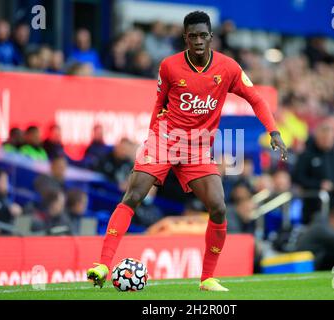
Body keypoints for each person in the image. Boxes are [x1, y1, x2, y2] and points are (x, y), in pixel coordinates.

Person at [86, 11, 287, 292]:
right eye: (192, 36)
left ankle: (207, 279)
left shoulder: (228, 68)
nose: (198, 41)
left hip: (198, 148)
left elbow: (256, 99)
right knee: (134, 194)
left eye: (203, 35)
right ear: (185, 38)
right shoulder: (169, 66)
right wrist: (154, 136)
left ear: (211, 37)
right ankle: (103, 264)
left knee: (218, 205)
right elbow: (159, 103)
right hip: (165, 139)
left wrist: (273, 131)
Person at [293, 120, 334, 224]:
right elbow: (297, 177)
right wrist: (319, 185)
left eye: (330, 139)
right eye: (325, 138)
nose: (328, 141)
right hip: (313, 206)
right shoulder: (307, 155)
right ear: (318, 137)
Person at [296, 206, 334, 270]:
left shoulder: (320, 226)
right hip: (304, 266)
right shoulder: (321, 228)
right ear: (333, 218)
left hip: (308, 263)